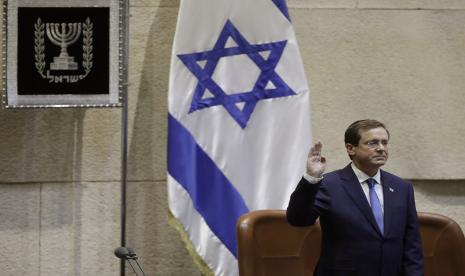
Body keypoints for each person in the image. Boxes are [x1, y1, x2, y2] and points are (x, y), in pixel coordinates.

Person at [287, 119, 424, 276]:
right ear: (351, 148)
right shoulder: (329, 184)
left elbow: (412, 244)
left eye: (384, 143)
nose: (381, 148)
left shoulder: (401, 188)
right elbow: (298, 219)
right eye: (372, 143)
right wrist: (311, 179)